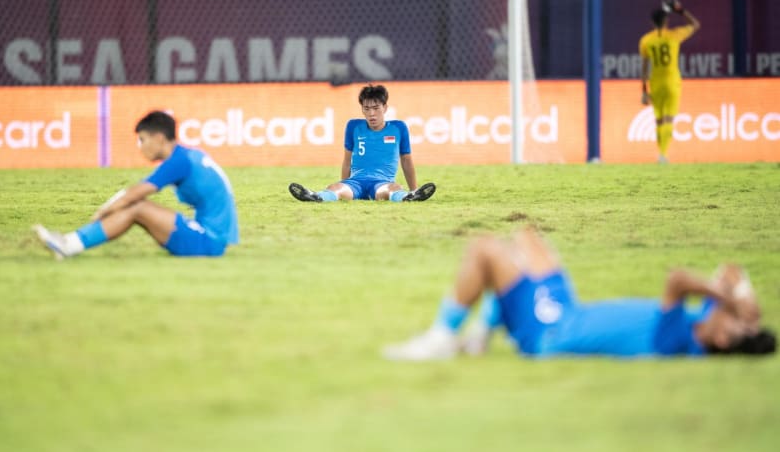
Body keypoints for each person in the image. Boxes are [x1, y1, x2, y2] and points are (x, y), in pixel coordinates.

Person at [384, 227, 775, 361]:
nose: (728, 313)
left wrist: (731, 301)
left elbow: (677, 281)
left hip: (549, 334)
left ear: (722, 337)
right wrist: (742, 300)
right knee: (527, 239)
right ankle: (481, 337)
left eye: (733, 322)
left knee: (486, 250)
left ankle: (440, 338)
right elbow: (730, 273)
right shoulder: (704, 323)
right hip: (568, 311)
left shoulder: (680, 340)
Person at [33, 111, 239, 259]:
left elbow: (136, 192)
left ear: (159, 138)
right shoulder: (186, 156)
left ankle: (69, 244)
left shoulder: (179, 161)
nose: (140, 147)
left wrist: (104, 211)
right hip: (210, 238)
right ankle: (70, 243)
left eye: (142, 140)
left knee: (137, 206)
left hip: (208, 243)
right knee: (135, 206)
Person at [288, 84, 436, 202]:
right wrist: (344, 183)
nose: (371, 113)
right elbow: (347, 161)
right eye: (367, 109)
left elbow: (407, 161)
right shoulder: (353, 126)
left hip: (381, 184)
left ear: (385, 108)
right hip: (355, 184)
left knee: (393, 189)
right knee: (334, 188)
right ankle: (316, 197)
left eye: (376, 108)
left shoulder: (399, 128)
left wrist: (414, 190)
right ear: (362, 110)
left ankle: (409, 197)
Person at [639, 0, 700, 164]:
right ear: (666, 21)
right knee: (669, 119)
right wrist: (680, 11)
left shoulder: (646, 40)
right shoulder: (674, 35)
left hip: (655, 82)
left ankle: (661, 153)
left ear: (652, 22)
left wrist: (644, 91)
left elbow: (644, 68)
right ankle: (663, 155)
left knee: (659, 120)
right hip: (672, 81)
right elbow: (695, 24)